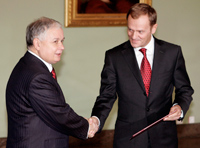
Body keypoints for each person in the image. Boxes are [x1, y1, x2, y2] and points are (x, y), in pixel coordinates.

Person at [90, 3, 194, 148]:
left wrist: (179, 107)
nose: (134, 36)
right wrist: (96, 119)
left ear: (154, 28)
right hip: (128, 139)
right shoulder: (114, 57)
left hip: (164, 138)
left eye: (140, 31)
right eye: (130, 29)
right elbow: (106, 96)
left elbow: (185, 90)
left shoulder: (172, 53)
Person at [6, 17, 97, 148]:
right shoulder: (37, 76)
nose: (62, 47)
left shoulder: (28, 65)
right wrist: (87, 127)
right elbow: (59, 113)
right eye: (55, 41)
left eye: (62, 41)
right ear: (37, 44)